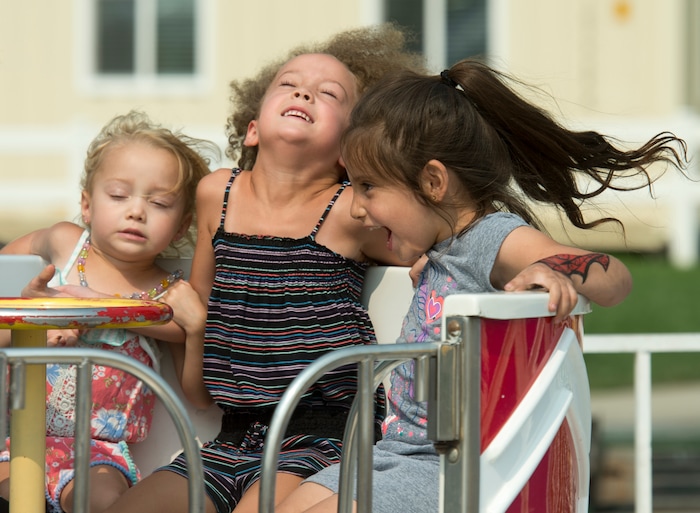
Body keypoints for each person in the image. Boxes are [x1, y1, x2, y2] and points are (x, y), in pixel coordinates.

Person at [273, 60, 688, 513]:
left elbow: (613, 275)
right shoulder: (443, 249)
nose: (356, 208)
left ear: (433, 182)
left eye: (368, 186)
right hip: (394, 452)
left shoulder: (489, 237)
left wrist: (555, 270)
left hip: (451, 466)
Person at [98, 25, 426, 513]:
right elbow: (203, 371)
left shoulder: (352, 210)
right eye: (289, 84)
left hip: (327, 435)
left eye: (329, 93)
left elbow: (426, 243)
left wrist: (425, 259)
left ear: (349, 148)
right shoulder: (216, 193)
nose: (304, 91)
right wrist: (196, 327)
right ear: (253, 127)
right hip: (231, 437)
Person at [0, 110, 215, 513]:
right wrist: (31, 319)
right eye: (118, 196)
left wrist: (198, 330)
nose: (136, 211)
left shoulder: (170, 297)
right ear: (86, 203)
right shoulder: (65, 245)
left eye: (159, 202)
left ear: (183, 223)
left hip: (98, 454)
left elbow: (198, 398)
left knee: (102, 502)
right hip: (17, 445)